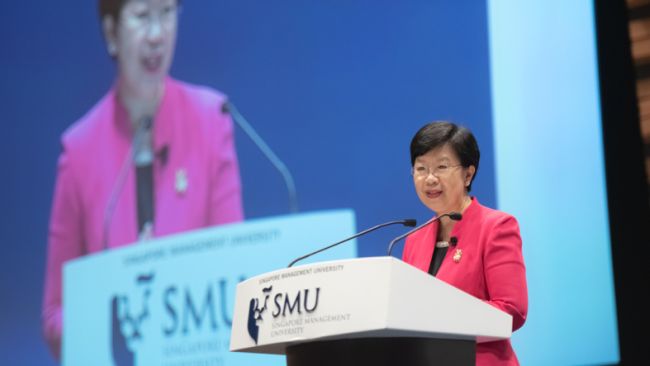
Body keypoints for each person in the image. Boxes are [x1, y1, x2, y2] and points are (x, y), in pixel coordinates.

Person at [42, 0, 244, 359]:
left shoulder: (212, 121)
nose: (156, 34)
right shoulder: (79, 151)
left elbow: (234, 275)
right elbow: (55, 318)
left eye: (166, 13)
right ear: (111, 32)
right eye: (141, 16)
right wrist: (119, 298)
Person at [402, 121, 527, 365]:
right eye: (421, 168)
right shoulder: (413, 240)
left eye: (441, 167)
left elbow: (512, 311)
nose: (429, 178)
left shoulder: (497, 227)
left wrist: (443, 320)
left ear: (468, 174)